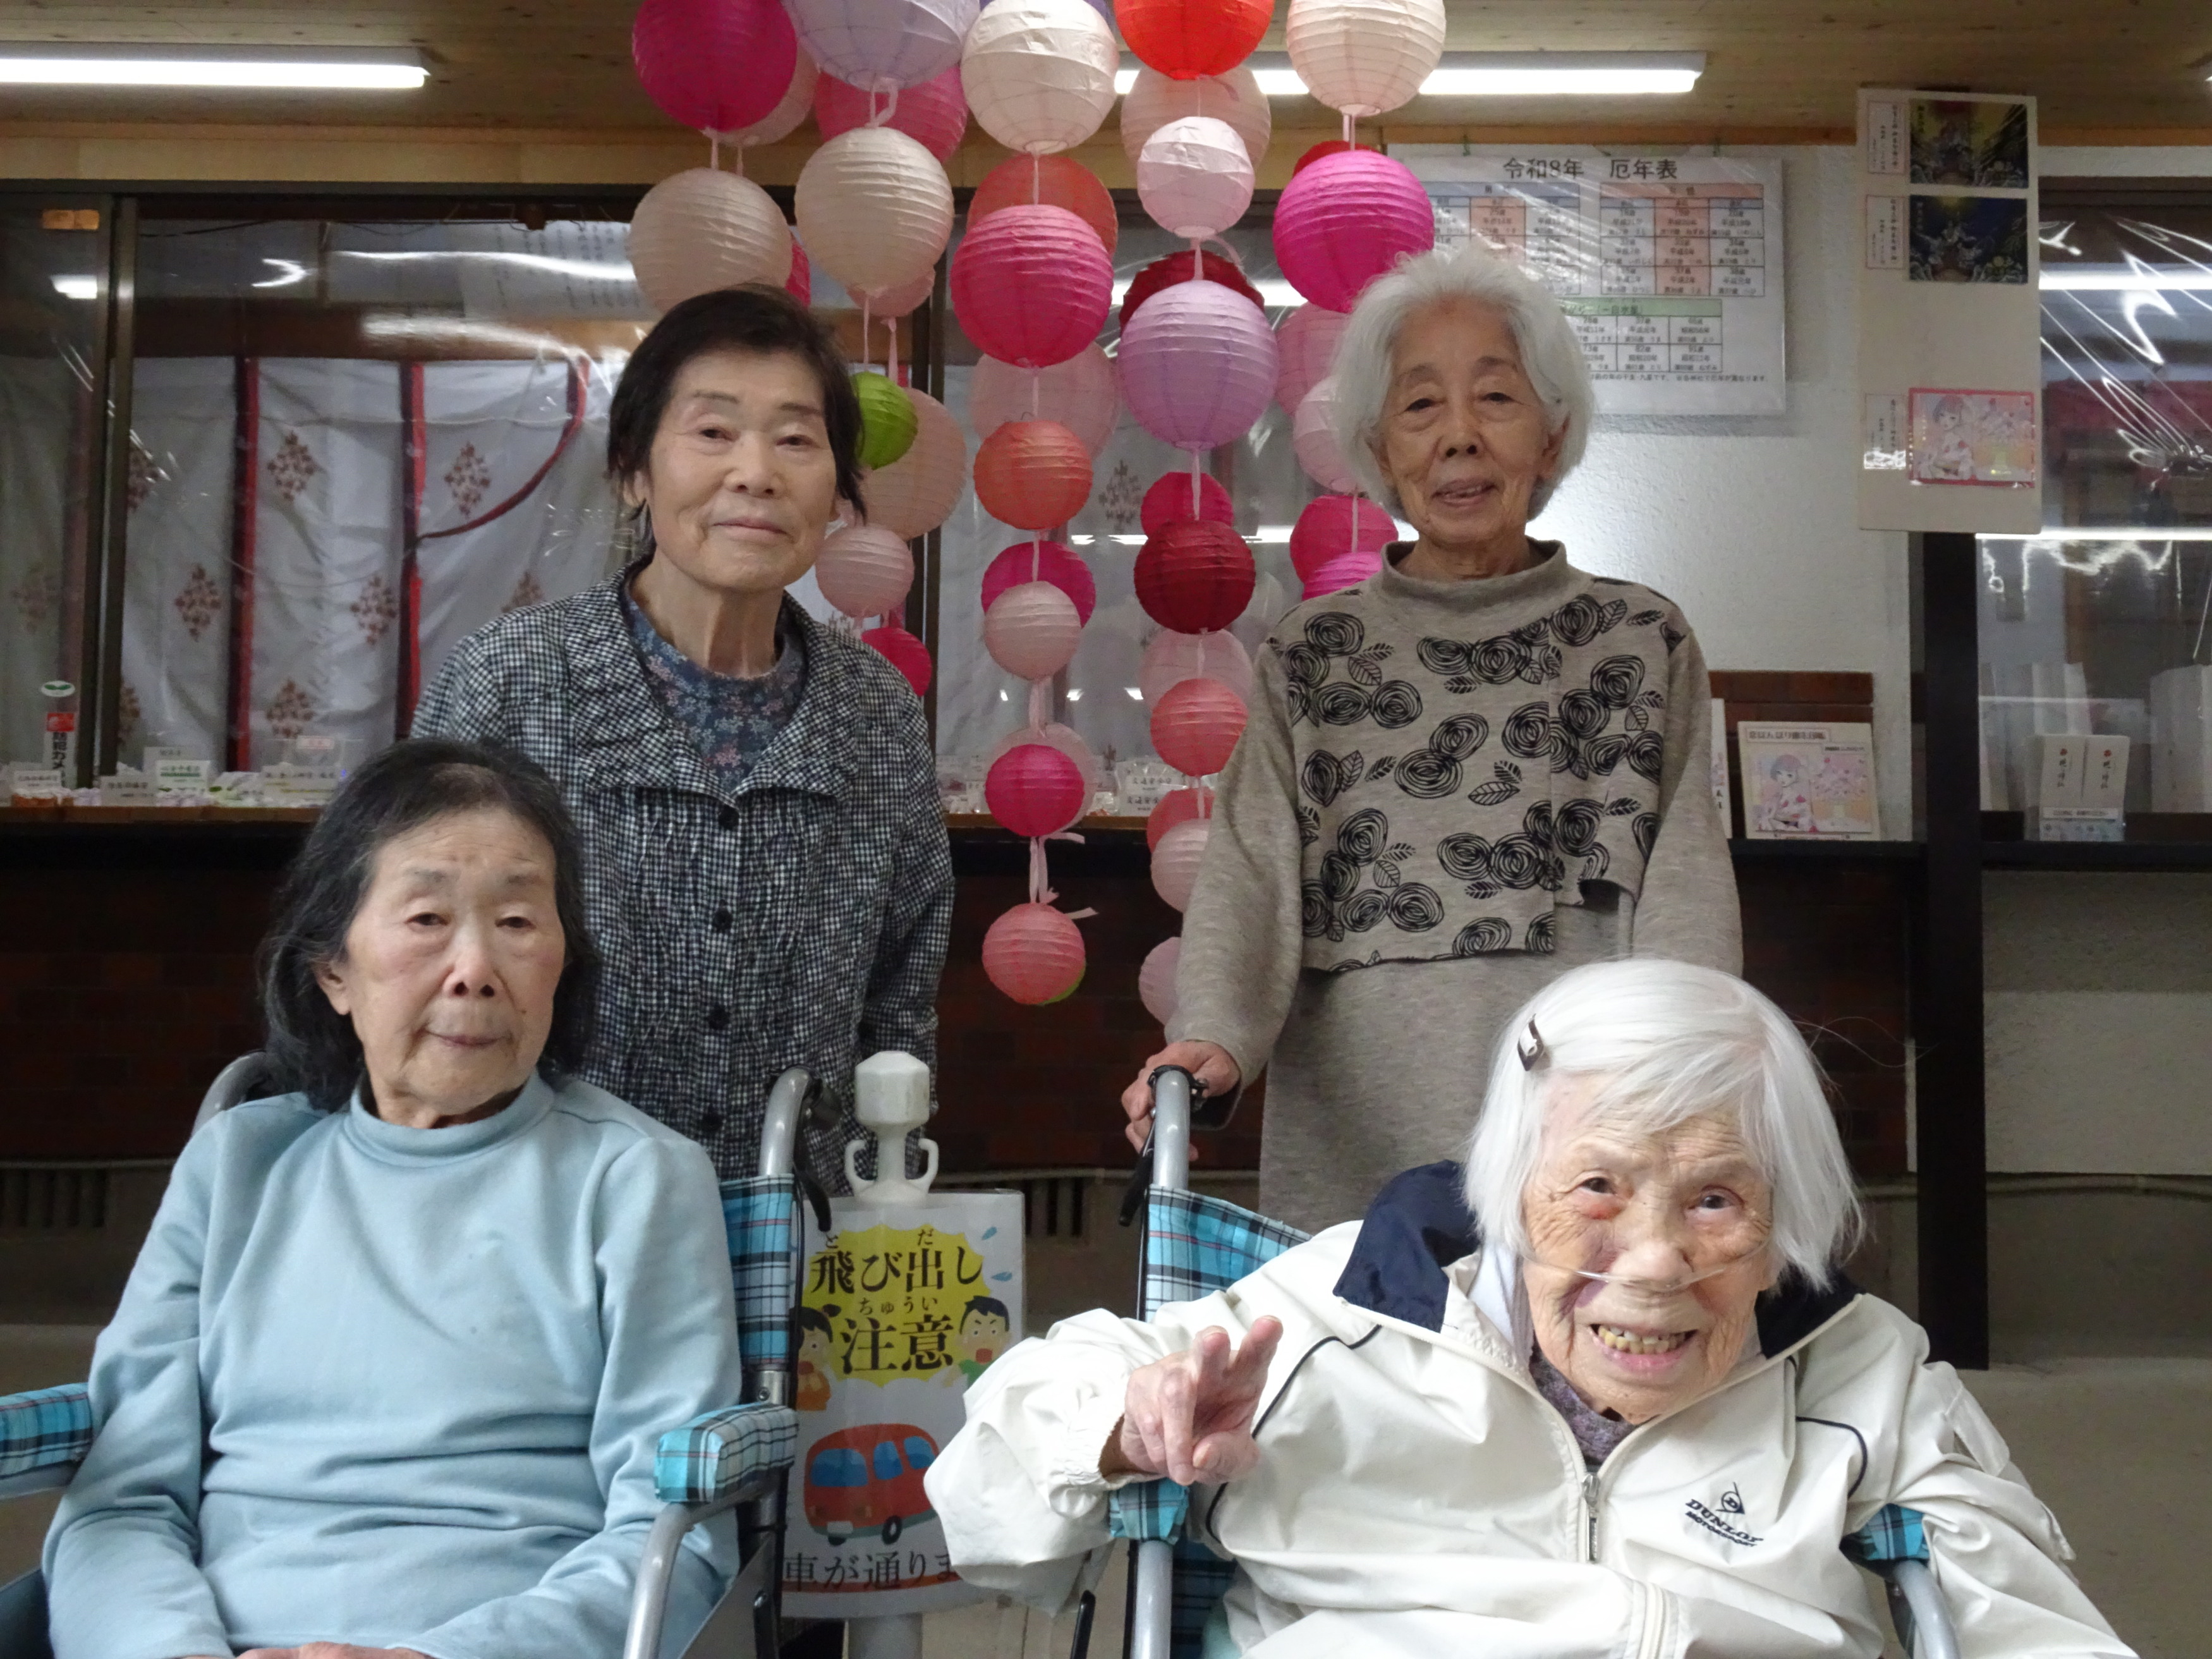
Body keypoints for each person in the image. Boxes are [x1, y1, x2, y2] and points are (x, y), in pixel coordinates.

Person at [933, 960, 2132, 1658]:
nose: (1655, 1265)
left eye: (1718, 1199)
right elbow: (991, 1475)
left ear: (1792, 1211)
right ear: (1508, 1186)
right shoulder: (1344, 1309)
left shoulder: (1853, 1365)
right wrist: (1122, 1425)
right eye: (1597, 1189)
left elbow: (2026, 1620)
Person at [44, 739, 744, 1659]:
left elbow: (675, 1531)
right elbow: (122, 1498)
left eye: (519, 922)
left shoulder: (637, 1178)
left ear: (564, 963)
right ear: (334, 968)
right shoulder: (241, 1164)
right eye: (426, 917)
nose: (474, 967)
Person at [1122, 246, 1741, 1231]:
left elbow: (1685, 879)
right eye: (1420, 407)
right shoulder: (1313, 656)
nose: (1459, 437)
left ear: (1553, 435)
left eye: (1496, 399)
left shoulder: (1638, 641)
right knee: (1367, 1357)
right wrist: (1215, 1038)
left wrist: (1688, 1063)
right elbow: (1250, 873)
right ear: (1378, 449)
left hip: (1586, 1120)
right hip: (1356, 1119)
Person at [415, 285, 953, 1186]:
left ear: (838, 486)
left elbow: (902, 1002)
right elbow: (416, 957)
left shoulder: (876, 713)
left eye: (796, 439)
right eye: (713, 432)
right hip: (541, 1223)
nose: (757, 473)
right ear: (633, 468)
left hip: (800, 1233)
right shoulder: (510, 680)